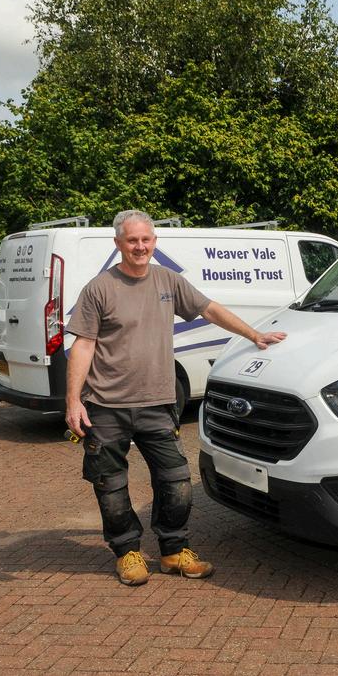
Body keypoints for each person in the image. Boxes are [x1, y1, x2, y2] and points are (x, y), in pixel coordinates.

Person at [65, 210, 286, 586]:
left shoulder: (167, 281)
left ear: (154, 241)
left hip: (158, 403)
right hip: (106, 406)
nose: (140, 246)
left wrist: (253, 335)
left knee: (176, 481)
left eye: (146, 239)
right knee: (110, 484)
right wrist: (73, 401)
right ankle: (127, 552)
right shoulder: (99, 288)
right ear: (118, 244)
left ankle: (172, 551)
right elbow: (83, 345)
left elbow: (208, 309)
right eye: (132, 240)